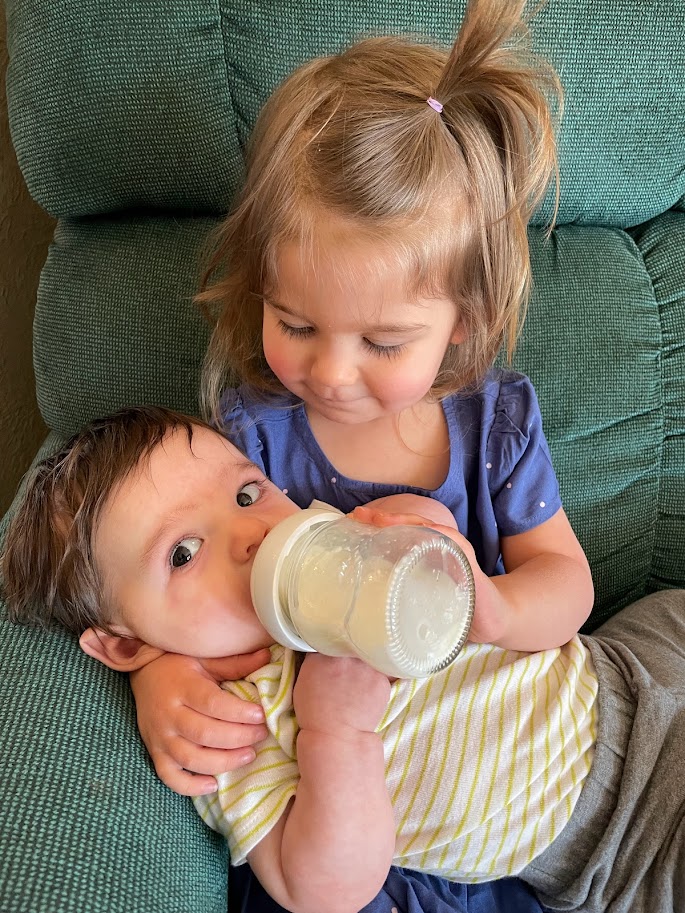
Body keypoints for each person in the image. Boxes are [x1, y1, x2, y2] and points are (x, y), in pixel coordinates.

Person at [4, 405, 685, 913]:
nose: (250, 533)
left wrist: (427, 533)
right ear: (126, 641)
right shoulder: (231, 727)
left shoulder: (336, 541)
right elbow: (321, 888)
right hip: (619, 842)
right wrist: (336, 733)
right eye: (183, 552)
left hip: (626, 663)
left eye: (246, 493)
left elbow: (454, 565)